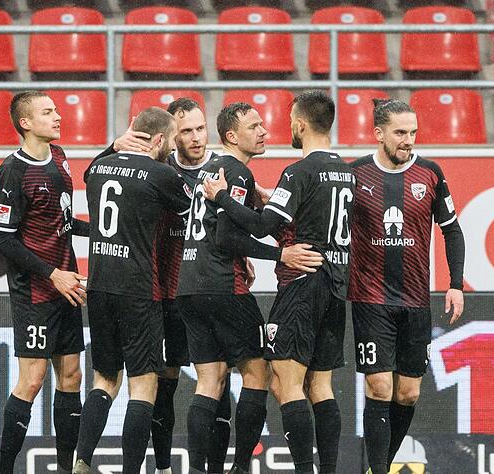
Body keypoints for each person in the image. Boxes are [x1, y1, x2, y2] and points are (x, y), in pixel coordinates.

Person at [202, 91, 353, 473]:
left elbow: (262, 226)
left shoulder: (298, 172)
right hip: (336, 284)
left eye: (289, 122)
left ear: (301, 125)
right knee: (320, 386)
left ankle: (304, 469)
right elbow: (301, 219)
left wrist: (223, 198)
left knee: (285, 384)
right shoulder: (346, 172)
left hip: (301, 286)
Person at [178, 101, 324, 474]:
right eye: (254, 126)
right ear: (231, 136)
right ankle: (241, 466)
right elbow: (228, 238)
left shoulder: (210, 171)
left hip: (189, 286)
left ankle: (197, 470)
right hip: (224, 287)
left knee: (209, 379)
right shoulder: (236, 173)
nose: (263, 131)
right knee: (258, 371)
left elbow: (221, 228)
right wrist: (281, 255)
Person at [96, 97, 234, 474]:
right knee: (164, 385)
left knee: (218, 380)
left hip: (205, 289)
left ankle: (213, 468)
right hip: (162, 293)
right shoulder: (155, 168)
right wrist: (114, 146)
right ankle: (161, 467)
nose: (195, 137)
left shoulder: (222, 170)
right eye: (186, 130)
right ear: (170, 136)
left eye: (199, 128)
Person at [348, 98, 465, 474]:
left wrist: (456, 283)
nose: (409, 140)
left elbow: (452, 231)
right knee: (380, 387)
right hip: (370, 297)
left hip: (416, 299)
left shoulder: (430, 173)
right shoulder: (356, 175)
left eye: (413, 132)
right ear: (378, 133)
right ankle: (379, 471)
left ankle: (375, 465)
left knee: (408, 393)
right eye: (400, 133)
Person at [75, 107, 192, 474]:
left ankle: (81, 460)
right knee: (143, 386)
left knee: (104, 379)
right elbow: (190, 205)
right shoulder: (161, 173)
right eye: (171, 142)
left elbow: (89, 170)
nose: (174, 149)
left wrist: (111, 148)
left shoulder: (98, 170)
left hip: (98, 284)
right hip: (138, 289)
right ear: (157, 140)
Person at [0, 91, 90, 474]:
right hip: (35, 290)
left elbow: (64, 222)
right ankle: (4, 469)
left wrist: (105, 232)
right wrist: (52, 274)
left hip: (67, 286)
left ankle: (66, 469)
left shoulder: (61, 158)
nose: (58, 115)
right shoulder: (13, 171)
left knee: (72, 376)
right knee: (32, 380)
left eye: (57, 109)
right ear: (25, 123)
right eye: (47, 112)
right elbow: (3, 237)